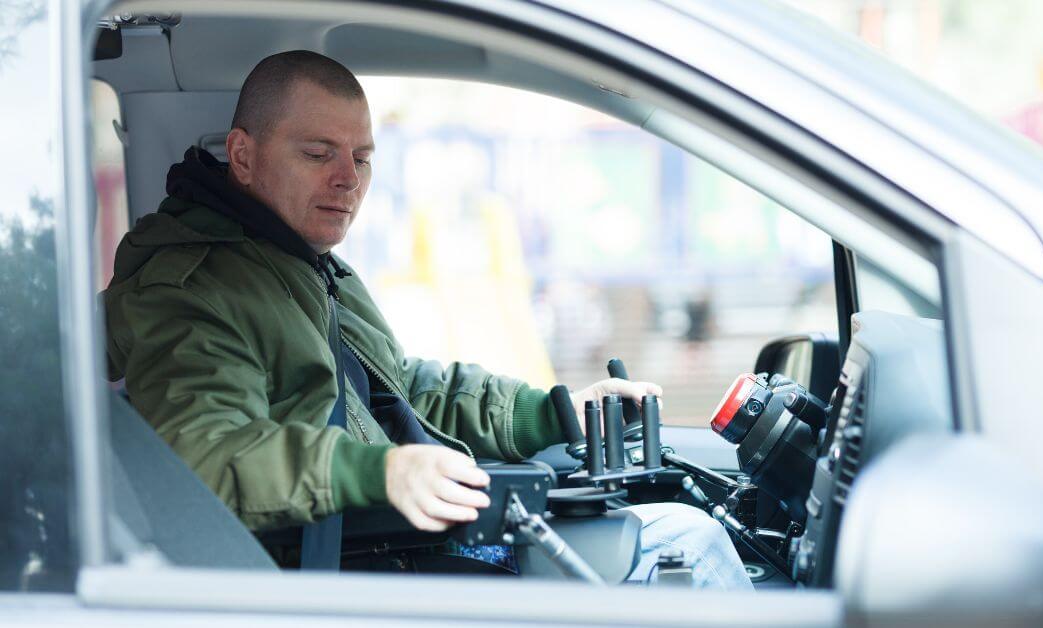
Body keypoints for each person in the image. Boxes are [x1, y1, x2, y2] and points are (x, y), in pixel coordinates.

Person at [103, 50, 750, 590]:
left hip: (402, 541)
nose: (347, 180)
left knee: (656, 516)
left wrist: (555, 412)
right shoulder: (190, 288)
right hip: (344, 568)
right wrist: (377, 472)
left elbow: (403, 388)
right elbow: (206, 453)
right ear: (243, 157)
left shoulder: (302, 262)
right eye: (318, 153)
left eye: (361, 157)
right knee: (685, 545)